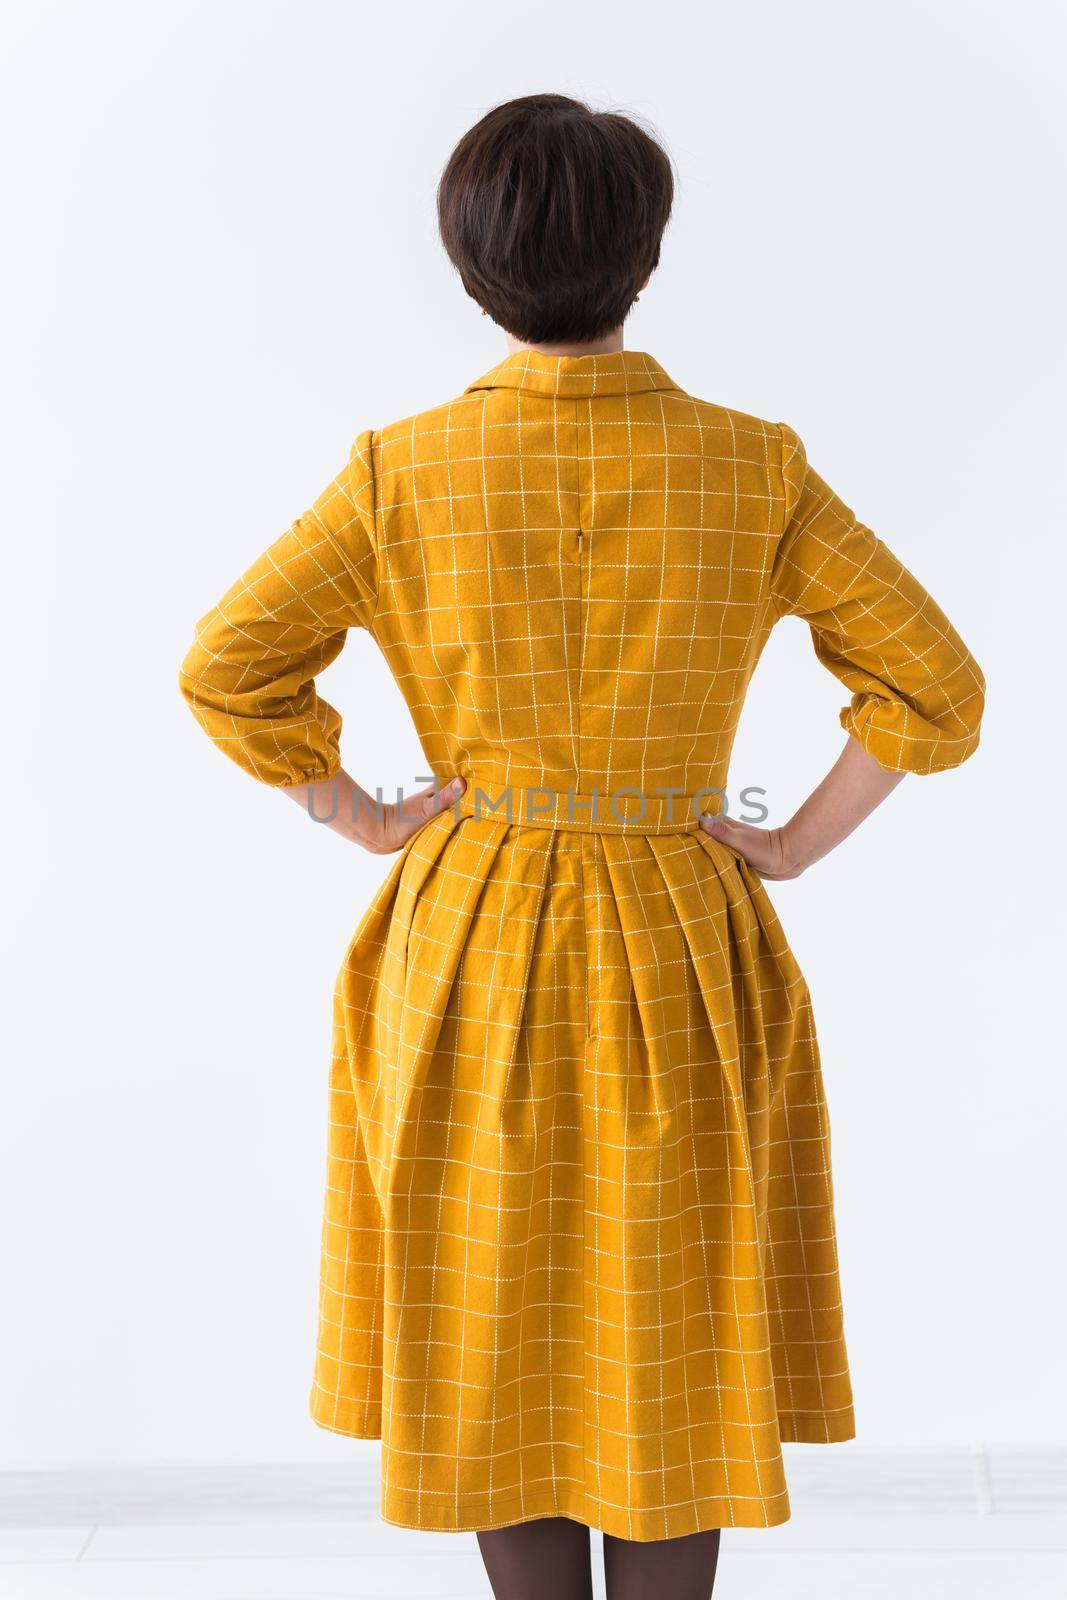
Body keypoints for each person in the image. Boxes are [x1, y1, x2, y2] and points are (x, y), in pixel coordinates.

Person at [178, 92, 985, 1600]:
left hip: (469, 935)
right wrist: (793, 847)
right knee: (666, 1349)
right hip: (681, 932)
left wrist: (361, 814)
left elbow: (228, 666)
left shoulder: (401, 470)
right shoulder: (751, 466)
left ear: (470, 264)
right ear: (648, 255)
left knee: (503, 1341)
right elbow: (935, 684)